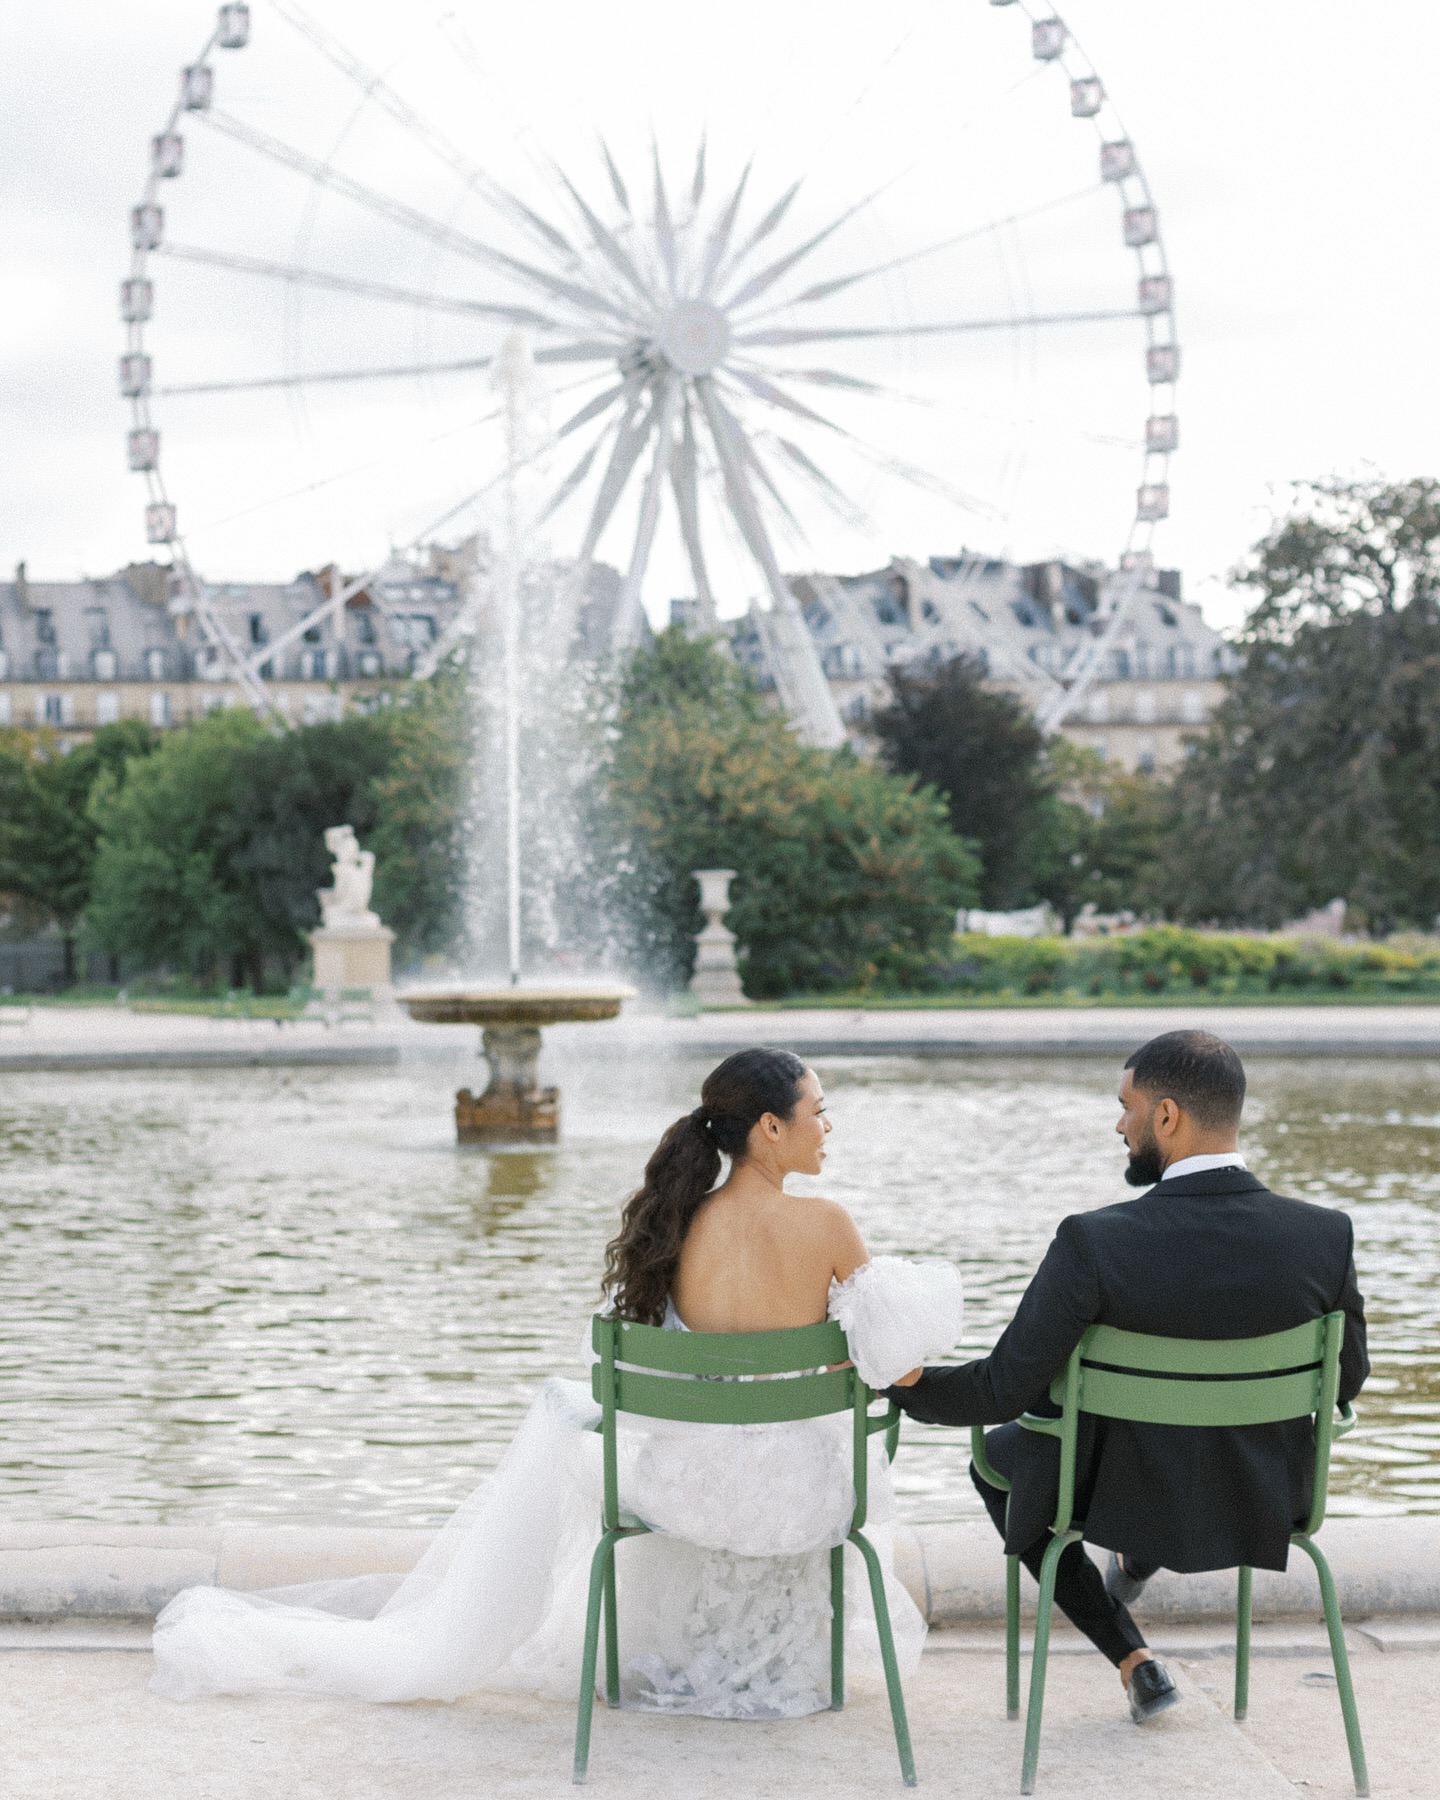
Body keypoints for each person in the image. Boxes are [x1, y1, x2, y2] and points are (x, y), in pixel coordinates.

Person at [151, 1047, 963, 1720]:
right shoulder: (828, 1224)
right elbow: (900, 1368)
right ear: (771, 1127)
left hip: (685, 1491)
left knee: (676, 1453)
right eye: (819, 1111)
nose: (828, 1127)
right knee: (815, 1451)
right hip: (797, 1499)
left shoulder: (676, 1223)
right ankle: (775, 1660)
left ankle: (697, 1652)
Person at [887, 1028, 1368, 1724]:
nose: (1120, 1124)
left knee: (999, 1455)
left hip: (1122, 1490)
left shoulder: (1094, 1241)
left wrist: (898, 1381)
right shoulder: (1325, 1235)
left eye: (1126, 1106)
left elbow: (1002, 1389)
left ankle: (1131, 1655)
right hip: (1261, 1492)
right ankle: (1136, 1562)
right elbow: (1346, 1382)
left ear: (1166, 1115)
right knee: (1162, 1442)